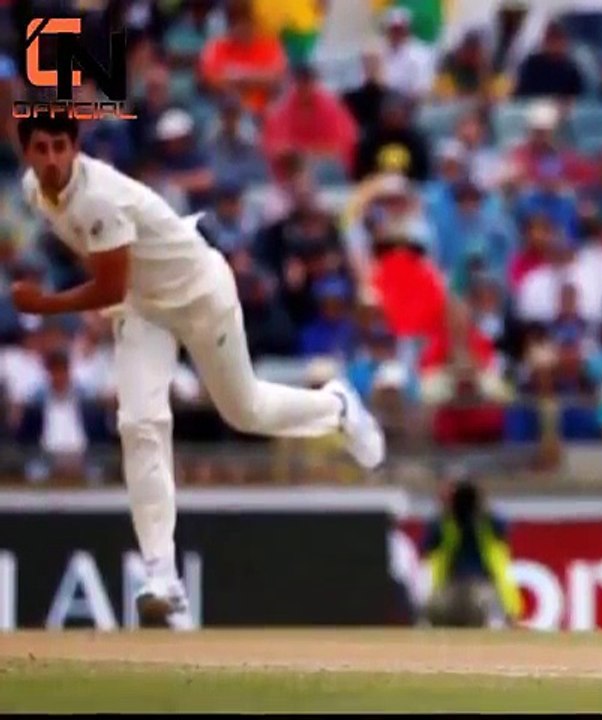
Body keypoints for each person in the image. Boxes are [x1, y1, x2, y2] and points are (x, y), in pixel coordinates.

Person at [13, 117, 386, 629]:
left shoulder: (100, 197)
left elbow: (107, 288)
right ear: (27, 154)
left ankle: (336, 407)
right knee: (140, 424)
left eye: (61, 146)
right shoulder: (34, 190)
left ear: (76, 148)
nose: (52, 158)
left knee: (245, 410)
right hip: (143, 307)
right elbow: (113, 281)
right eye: (41, 148)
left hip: (199, 295)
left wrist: (42, 303)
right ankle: (161, 574)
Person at [423, 473, 523, 628]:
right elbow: (427, 546)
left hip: (482, 585)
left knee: (485, 611)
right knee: (437, 610)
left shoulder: (488, 522)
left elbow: (503, 528)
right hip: (451, 585)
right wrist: (448, 511)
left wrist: (480, 508)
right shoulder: (444, 523)